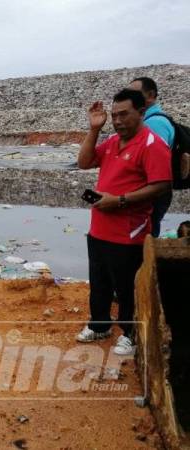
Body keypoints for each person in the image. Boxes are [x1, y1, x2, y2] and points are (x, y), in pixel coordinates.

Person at [76, 89, 172, 355]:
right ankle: (100, 325)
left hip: (129, 232)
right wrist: (94, 130)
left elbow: (162, 185)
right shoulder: (112, 142)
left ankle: (131, 333)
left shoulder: (152, 144)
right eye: (114, 115)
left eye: (124, 114)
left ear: (141, 113)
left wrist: (119, 201)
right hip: (99, 228)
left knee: (127, 286)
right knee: (100, 281)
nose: (117, 120)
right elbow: (83, 162)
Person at [129, 77, 175, 237]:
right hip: (148, 193)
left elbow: (157, 167)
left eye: (134, 93)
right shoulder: (148, 121)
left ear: (150, 95)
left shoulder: (155, 124)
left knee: (146, 237)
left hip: (151, 194)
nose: (130, 98)